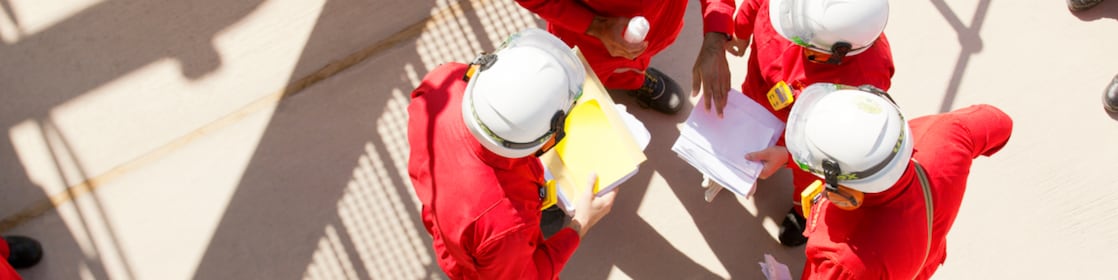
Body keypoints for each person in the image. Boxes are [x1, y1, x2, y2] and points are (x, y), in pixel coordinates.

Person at [407, 28, 617, 279]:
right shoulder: (505, 226)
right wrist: (581, 223)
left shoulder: (445, 82)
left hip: (454, 224)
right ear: (547, 140)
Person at [748, 83, 1013, 279]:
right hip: (918, 259)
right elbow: (999, 122)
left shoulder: (842, 262)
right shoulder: (948, 135)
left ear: (846, 196)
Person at [691, 0, 895, 246]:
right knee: (751, 136)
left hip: (810, 138)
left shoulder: (866, 81)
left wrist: (789, 156)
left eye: (803, 40)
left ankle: (802, 209)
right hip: (758, 93)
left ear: (839, 52)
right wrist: (741, 30)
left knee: (809, 183)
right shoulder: (795, 7)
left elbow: (841, 147)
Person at [515, 0, 737, 114]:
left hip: (658, 28)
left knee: (635, 66)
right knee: (574, 84)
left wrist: (716, 39)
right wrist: (596, 26)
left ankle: (633, 81)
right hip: (586, 41)